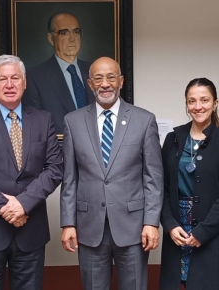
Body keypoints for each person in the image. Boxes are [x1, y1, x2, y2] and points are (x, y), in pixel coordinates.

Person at [0, 54, 63, 290]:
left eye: (15, 78)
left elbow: (55, 168)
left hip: (31, 231)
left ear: (24, 82)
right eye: (2, 79)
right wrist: (9, 207)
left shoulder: (43, 120)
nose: (9, 84)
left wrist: (23, 204)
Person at [60, 56, 163, 290]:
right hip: (89, 227)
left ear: (121, 81)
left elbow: (153, 178)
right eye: (98, 78)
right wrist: (68, 223)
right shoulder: (73, 122)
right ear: (89, 83)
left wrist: (151, 222)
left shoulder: (144, 120)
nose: (105, 84)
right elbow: (70, 178)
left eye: (110, 77)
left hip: (134, 227)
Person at [159, 78, 219, 289]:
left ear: (215, 103)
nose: (198, 106)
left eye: (204, 100)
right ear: (186, 104)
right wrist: (169, 224)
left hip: (212, 229)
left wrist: (202, 232)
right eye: (192, 101)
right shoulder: (172, 139)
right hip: (177, 229)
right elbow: (163, 188)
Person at [23, 12, 96, 134]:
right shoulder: (35, 77)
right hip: (58, 150)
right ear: (51, 39)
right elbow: (35, 128)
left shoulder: (94, 71)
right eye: (64, 33)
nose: (72, 38)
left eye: (76, 32)